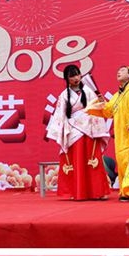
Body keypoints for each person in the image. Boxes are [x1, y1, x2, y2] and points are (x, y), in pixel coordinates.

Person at [86, 66, 129, 202]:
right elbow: (108, 111)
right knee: (125, 162)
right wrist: (101, 102)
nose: (119, 72)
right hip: (123, 135)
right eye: (118, 70)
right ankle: (128, 192)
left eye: (123, 70)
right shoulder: (118, 96)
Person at [46, 64, 110, 200]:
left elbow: (98, 107)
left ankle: (97, 192)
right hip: (73, 130)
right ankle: (75, 192)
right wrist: (63, 130)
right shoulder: (64, 95)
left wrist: (101, 101)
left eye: (77, 74)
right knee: (77, 161)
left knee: (92, 160)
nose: (76, 78)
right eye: (72, 76)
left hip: (90, 127)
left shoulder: (88, 90)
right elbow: (60, 115)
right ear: (67, 79)